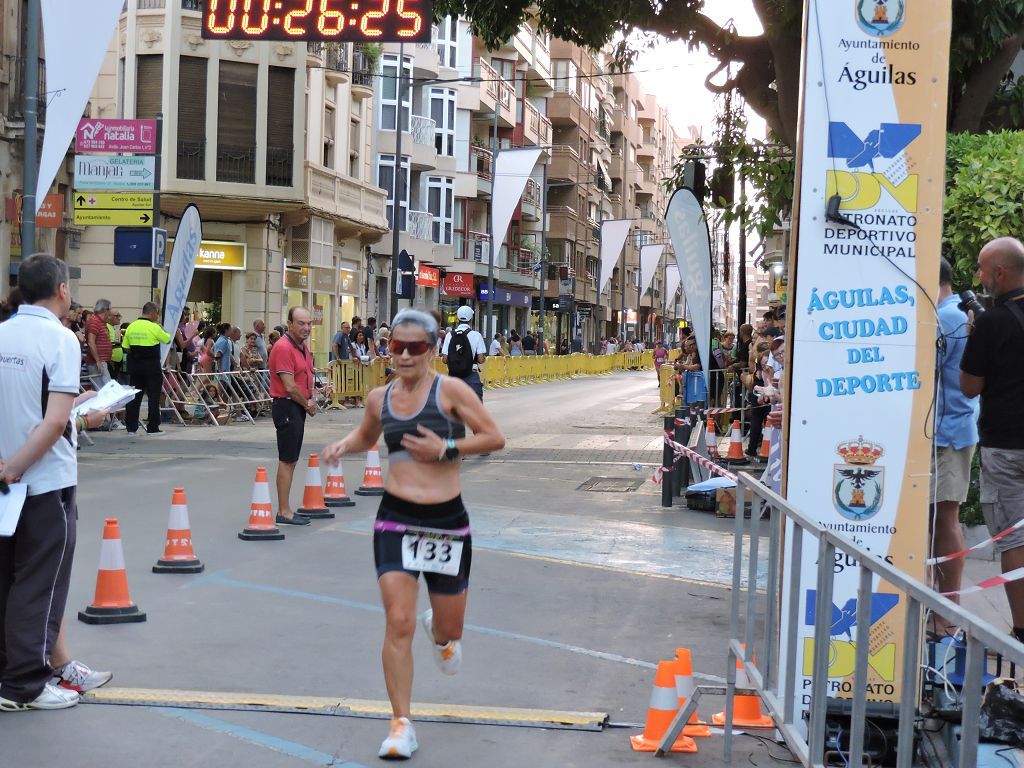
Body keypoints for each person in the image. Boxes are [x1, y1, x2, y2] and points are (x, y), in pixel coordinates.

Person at [321, 309, 505, 760]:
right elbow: (367, 437)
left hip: (446, 523)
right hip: (395, 518)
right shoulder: (378, 397)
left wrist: (448, 447)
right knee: (397, 620)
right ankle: (401, 723)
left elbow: (494, 436)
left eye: (414, 347)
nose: (403, 355)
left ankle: (439, 634)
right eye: (396, 346)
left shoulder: (452, 391)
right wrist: (344, 445)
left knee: (450, 630)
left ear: (432, 349)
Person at [0, 254, 84, 710]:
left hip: (5, 481)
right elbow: (52, 423)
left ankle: (9, 676)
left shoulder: (2, 333)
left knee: (8, 581)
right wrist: (16, 466)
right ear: (61, 289)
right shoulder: (60, 339)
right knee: (40, 584)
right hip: (43, 480)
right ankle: (25, 685)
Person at [959, 236, 1024, 645]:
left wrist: (973, 337)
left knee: (1013, 537)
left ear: (1000, 273)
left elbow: (969, 386)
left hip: (1006, 447)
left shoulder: (992, 322)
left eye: (983, 270)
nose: (980, 278)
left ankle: (1021, 630)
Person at [929, 257, 979, 630]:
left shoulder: (946, 317)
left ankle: (947, 613)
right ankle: (942, 607)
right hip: (950, 430)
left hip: (949, 433)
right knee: (937, 519)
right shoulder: (952, 313)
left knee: (944, 518)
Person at [268, 307, 318, 526]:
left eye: (309, 323)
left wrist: (313, 396)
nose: (306, 328)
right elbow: (289, 386)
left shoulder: (302, 348)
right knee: (287, 460)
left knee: (292, 459)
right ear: (289, 324)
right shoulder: (284, 348)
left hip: (297, 406)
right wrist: (307, 404)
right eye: (301, 323)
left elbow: (306, 376)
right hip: (288, 406)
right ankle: (284, 511)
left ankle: (286, 509)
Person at [122, 302, 171, 436]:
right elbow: (167, 339)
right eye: (157, 313)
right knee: (153, 397)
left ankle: (131, 428)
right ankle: (153, 427)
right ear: (153, 312)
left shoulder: (131, 327)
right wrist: (161, 327)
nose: (158, 316)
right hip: (152, 367)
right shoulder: (154, 327)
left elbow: (126, 347)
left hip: (136, 367)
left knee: (134, 397)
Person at [441, 306, 486, 401]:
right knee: (476, 408)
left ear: (457, 318)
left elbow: (444, 359)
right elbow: (481, 359)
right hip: (471, 376)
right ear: (471, 319)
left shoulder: (450, 335)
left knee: (452, 407)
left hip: (453, 377)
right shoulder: (477, 335)